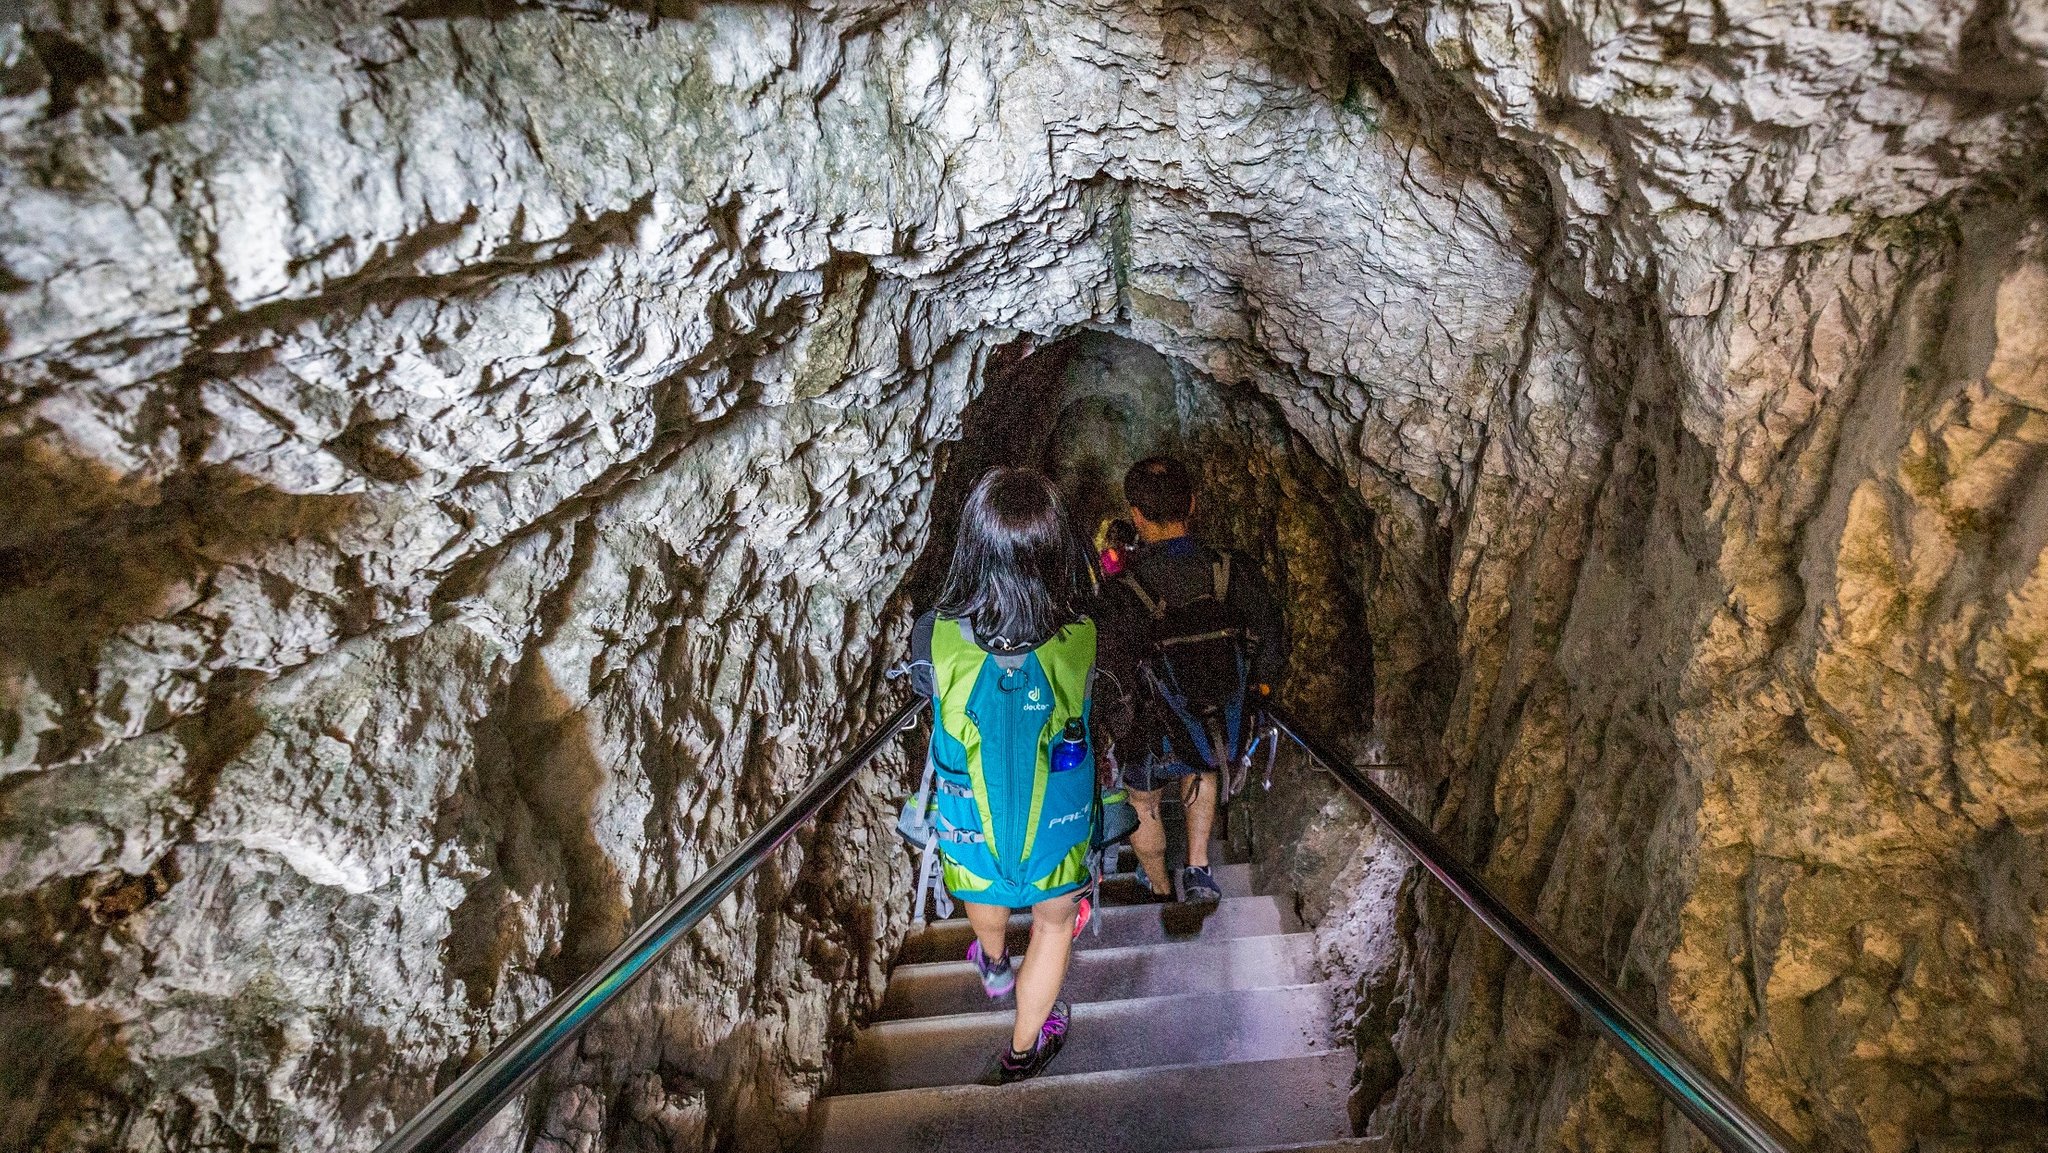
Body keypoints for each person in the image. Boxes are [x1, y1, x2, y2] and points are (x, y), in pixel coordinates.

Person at [907, 467, 1105, 1085]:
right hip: (1057, 810)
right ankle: (1022, 1050)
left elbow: (928, 696)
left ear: (973, 544)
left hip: (970, 808)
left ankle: (994, 963)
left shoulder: (933, 636)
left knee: (982, 883)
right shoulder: (1082, 636)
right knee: (1053, 920)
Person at [1097, 456, 1287, 903]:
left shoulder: (1124, 589)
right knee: (1202, 769)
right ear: (1194, 505)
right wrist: (1259, 690)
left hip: (1150, 728)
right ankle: (1199, 868)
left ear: (1137, 515)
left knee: (1143, 802)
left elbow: (1109, 668)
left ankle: (1160, 886)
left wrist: (1108, 729)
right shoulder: (1231, 569)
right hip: (1218, 720)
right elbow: (1272, 635)